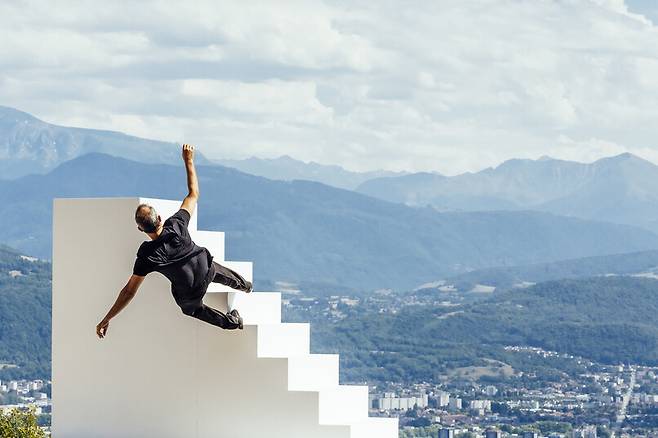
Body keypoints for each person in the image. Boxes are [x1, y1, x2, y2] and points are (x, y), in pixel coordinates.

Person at [96, 144, 252, 339]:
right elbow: (193, 194)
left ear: (140, 229)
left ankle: (232, 322)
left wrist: (107, 318)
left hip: (190, 291)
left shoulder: (146, 255)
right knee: (211, 267)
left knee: (190, 308)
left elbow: (129, 291)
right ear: (160, 218)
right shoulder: (177, 224)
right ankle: (244, 285)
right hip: (206, 268)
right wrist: (189, 160)